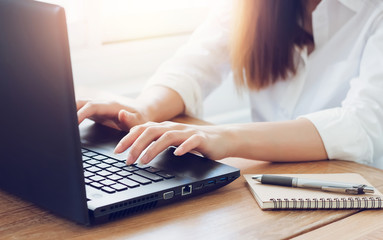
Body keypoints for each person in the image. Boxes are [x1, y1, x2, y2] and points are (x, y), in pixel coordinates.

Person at [77, 0, 383, 167]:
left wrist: (225, 137)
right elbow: (192, 66)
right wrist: (139, 112)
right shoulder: (250, 6)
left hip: (361, 190)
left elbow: (364, 124)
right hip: (266, 182)